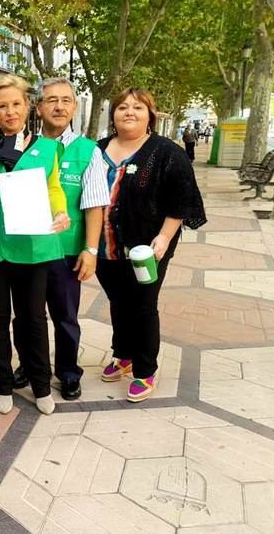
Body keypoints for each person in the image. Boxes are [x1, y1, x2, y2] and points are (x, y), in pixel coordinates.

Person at [0, 75, 70, 416]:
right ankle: (4, 382)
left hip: (35, 246)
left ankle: (41, 385)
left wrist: (61, 212)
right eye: (1, 106)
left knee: (34, 319)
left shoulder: (49, 149)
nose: (9, 111)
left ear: (28, 107)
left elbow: (54, 189)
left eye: (15, 104)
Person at [97, 88, 206, 402]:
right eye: (122, 107)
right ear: (113, 114)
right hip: (106, 245)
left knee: (142, 304)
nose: (129, 112)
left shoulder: (166, 152)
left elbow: (182, 199)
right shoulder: (98, 149)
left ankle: (145, 370)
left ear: (150, 115)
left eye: (137, 107)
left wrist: (164, 237)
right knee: (117, 300)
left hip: (149, 247)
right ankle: (124, 354)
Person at [12, 77, 110, 400]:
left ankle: (68, 372)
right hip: (26, 250)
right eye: (51, 100)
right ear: (38, 107)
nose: (59, 106)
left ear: (74, 107)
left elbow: (95, 204)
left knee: (65, 317)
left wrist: (91, 249)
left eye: (66, 100)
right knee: (26, 315)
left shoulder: (88, 151)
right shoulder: (22, 145)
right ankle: (29, 364)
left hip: (66, 253)